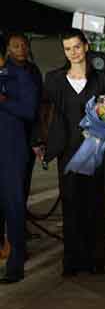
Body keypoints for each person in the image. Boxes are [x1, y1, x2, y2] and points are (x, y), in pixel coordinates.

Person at [41, 30, 105, 277]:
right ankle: (72, 260)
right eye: (68, 48)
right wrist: (41, 143)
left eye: (77, 47)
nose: (73, 52)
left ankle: (96, 259)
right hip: (68, 151)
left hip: (94, 149)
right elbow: (45, 114)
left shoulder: (101, 79)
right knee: (71, 206)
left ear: (86, 46)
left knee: (95, 205)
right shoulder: (54, 80)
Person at [0, 34, 39, 284]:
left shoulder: (21, 75)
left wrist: (4, 102)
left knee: (14, 208)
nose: (20, 49)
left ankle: (15, 265)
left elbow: (29, 110)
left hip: (12, 152)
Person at [5, 33, 43, 223]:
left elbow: (40, 104)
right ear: (8, 49)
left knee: (25, 180)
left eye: (24, 45)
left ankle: (21, 222)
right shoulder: (4, 71)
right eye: (15, 46)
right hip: (10, 136)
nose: (21, 49)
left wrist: (39, 136)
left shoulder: (33, 70)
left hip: (29, 135)